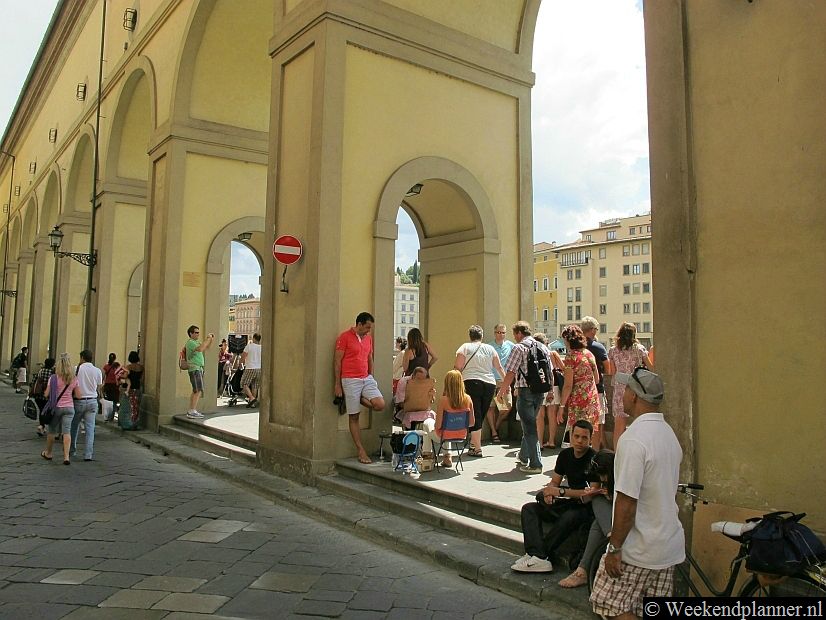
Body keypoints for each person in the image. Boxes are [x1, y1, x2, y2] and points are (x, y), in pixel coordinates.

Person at [590, 368, 683, 619]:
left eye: (626, 388)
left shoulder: (633, 440)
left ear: (634, 396)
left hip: (640, 548)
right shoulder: (668, 434)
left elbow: (627, 501)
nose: (622, 393)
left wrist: (615, 548)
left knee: (607, 604)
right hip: (667, 543)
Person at [512, 420, 599, 572]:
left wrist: (561, 492)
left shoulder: (594, 459)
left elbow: (592, 493)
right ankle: (535, 554)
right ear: (570, 436)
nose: (579, 441)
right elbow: (554, 482)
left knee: (570, 516)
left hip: (585, 508)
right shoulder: (565, 455)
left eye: (584, 438)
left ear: (590, 439)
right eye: (576, 436)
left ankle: (541, 556)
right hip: (567, 502)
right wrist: (549, 493)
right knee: (529, 508)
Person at [498, 321, 549, 474]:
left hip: (525, 391)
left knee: (529, 428)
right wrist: (550, 391)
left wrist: (502, 390)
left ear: (519, 333)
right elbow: (549, 371)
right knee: (529, 425)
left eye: (515, 334)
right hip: (540, 391)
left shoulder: (519, 347)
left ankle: (535, 464)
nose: (514, 337)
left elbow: (511, 371)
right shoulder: (542, 347)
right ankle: (523, 456)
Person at [559, 449, 615, 588]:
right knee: (597, 503)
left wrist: (613, 496)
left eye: (604, 476)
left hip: (624, 516)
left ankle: (582, 570)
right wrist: (596, 492)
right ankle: (609, 535)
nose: (603, 479)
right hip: (608, 518)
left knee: (597, 522)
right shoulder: (605, 479)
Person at [334, 312, 385, 464]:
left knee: (380, 404)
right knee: (354, 416)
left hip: (366, 379)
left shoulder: (368, 339)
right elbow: (337, 361)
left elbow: (369, 358)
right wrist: (337, 385)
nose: (369, 330)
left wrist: (371, 376)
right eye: (367, 327)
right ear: (359, 324)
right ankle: (360, 450)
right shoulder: (344, 337)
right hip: (350, 380)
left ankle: (359, 399)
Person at [455, 325, 505, 458]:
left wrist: (453, 385)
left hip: (471, 382)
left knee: (475, 413)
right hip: (489, 384)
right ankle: (474, 444)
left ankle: (477, 448)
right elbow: (499, 367)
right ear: (481, 336)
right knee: (480, 414)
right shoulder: (490, 349)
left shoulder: (465, 347)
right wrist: (506, 384)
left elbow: (457, 367)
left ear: (470, 336)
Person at [607, 323, 654, 449]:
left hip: (619, 390)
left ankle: (618, 454)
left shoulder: (613, 350)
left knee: (619, 426)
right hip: (635, 389)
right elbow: (651, 368)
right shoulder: (639, 349)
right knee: (639, 423)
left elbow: (612, 372)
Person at [420, 369, 474, 468]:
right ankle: (447, 457)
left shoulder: (443, 400)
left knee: (427, 423)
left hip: (443, 435)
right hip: (461, 435)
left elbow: (438, 426)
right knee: (447, 428)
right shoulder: (468, 399)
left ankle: (427, 457)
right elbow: (471, 423)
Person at [557, 324, 601, 446]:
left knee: (576, 436)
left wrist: (561, 406)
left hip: (578, 402)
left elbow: (568, 385)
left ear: (568, 339)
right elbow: (597, 379)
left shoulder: (571, 357)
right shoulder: (589, 354)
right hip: (592, 400)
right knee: (589, 435)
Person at [40, 353, 81, 465]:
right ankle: (66, 457)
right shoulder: (73, 378)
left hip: (56, 408)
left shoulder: (53, 378)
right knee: (67, 432)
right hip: (69, 408)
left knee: (52, 431)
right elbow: (79, 395)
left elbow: (46, 394)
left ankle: (48, 453)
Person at [581, 317, 610, 450]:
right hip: (596, 389)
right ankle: (595, 452)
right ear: (592, 330)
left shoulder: (577, 347)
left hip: (580, 390)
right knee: (597, 423)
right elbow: (608, 368)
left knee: (581, 423)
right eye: (596, 329)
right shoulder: (598, 347)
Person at [70, 349, 104, 461]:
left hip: (78, 401)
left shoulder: (77, 369)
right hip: (92, 400)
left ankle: (72, 450)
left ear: (82, 358)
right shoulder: (97, 371)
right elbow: (99, 386)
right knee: (90, 428)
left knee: (74, 426)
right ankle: (88, 454)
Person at [534, 333, 564, 450]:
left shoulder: (535, 354)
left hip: (540, 385)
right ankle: (551, 441)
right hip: (553, 385)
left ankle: (540, 443)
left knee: (540, 415)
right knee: (552, 414)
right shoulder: (553, 353)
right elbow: (563, 368)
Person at [485, 323, 514, 444]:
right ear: (494, 333)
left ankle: (496, 427)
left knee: (506, 407)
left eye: (503, 333)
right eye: (498, 332)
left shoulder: (510, 345)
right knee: (490, 407)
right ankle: (494, 432)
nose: (501, 335)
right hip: (491, 380)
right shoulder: (489, 347)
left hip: (504, 380)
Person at [185, 325, 215, 418]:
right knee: (197, 390)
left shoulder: (196, 342)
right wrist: (207, 339)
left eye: (198, 332)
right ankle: (192, 410)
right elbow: (201, 349)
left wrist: (211, 340)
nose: (198, 334)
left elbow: (207, 347)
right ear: (191, 333)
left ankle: (192, 410)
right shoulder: (190, 342)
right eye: (196, 332)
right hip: (195, 369)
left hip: (198, 369)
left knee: (196, 390)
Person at [394, 366, 436, 431]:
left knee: (432, 415)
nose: (421, 381)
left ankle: (426, 435)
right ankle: (411, 435)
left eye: (423, 379)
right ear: (413, 376)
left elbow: (432, 401)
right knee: (410, 417)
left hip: (423, 410)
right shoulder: (403, 381)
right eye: (418, 379)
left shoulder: (427, 383)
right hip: (406, 410)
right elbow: (400, 403)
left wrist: (432, 396)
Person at [30, 357, 56, 437]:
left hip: (38, 395)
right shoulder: (52, 373)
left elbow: (33, 382)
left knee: (42, 410)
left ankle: (41, 426)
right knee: (48, 411)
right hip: (48, 396)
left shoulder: (40, 371)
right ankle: (46, 426)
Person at [122, 350, 144, 428]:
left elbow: (125, 376)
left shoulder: (128, 367)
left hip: (129, 388)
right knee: (136, 406)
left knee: (128, 406)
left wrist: (120, 376)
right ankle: (135, 422)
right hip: (137, 387)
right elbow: (142, 379)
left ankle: (128, 423)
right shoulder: (141, 367)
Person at [241, 333, 262, 408]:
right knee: (255, 386)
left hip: (250, 367)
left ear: (254, 338)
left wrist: (240, 363)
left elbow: (243, 356)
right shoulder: (261, 347)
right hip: (259, 369)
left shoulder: (249, 346)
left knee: (244, 384)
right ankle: (252, 403)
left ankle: (252, 398)